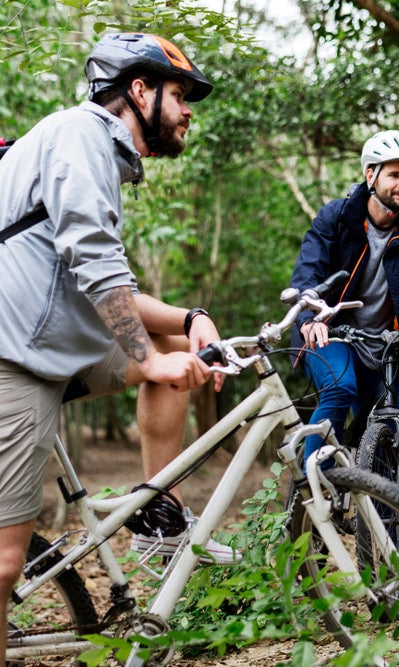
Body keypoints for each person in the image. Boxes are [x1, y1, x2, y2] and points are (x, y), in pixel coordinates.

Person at [0, 31, 235, 661]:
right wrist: (151, 356)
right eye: (181, 95)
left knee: (160, 339)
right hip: (13, 354)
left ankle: (160, 516)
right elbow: (93, 257)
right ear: (139, 90)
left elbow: (118, 290)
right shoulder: (80, 135)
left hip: (57, 343)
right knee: (3, 564)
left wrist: (189, 319)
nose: (188, 111)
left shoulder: (101, 155)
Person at [290, 130, 399, 462]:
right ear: (370, 174)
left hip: (384, 343)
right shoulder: (337, 217)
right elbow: (307, 272)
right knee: (340, 389)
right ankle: (315, 492)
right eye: (395, 174)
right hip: (331, 333)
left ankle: (383, 510)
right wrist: (308, 318)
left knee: (387, 426)